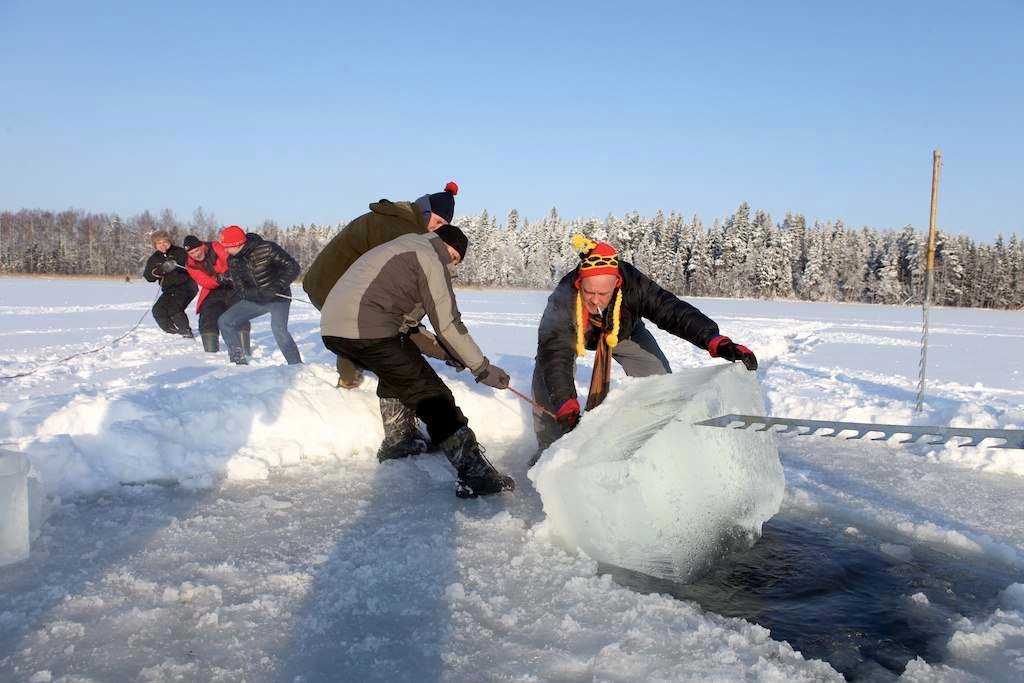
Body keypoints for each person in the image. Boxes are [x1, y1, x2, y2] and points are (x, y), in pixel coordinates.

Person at [319, 225, 515, 498]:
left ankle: (399, 441)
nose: (453, 267)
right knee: (431, 394)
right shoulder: (430, 258)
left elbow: (408, 329)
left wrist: (450, 354)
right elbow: (448, 323)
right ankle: (475, 474)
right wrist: (481, 368)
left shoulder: (404, 246)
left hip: (335, 331)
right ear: (447, 247)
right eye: (455, 258)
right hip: (368, 329)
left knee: (398, 368)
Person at [531, 234, 758, 459]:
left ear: (617, 284)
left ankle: (655, 438)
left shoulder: (635, 285)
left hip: (623, 331)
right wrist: (565, 403)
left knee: (658, 377)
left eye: (603, 294)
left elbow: (672, 311)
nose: (595, 300)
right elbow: (555, 352)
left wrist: (715, 341)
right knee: (547, 380)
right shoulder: (563, 298)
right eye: (589, 292)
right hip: (574, 337)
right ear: (579, 284)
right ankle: (548, 450)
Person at [303, 181, 459, 389]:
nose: (437, 229)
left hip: (327, 282)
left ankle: (351, 376)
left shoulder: (401, 220)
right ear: (425, 210)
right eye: (437, 221)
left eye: (443, 226)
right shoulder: (399, 229)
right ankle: (348, 385)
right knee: (360, 325)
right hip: (330, 284)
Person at [217, 225, 302, 366]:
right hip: (255, 299)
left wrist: (276, 287)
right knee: (225, 321)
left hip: (278, 298)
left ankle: (296, 365)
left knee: (278, 329)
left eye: (227, 246)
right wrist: (258, 294)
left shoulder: (268, 248)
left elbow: (292, 267)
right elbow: (240, 288)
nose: (225, 250)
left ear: (237, 244)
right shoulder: (233, 260)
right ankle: (238, 362)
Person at [182, 234, 251, 355]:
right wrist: (218, 280)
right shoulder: (190, 264)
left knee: (239, 312)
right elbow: (203, 281)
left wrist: (228, 273)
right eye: (192, 253)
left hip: (233, 285)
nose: (196, 254)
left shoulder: (215, 247)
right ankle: (211, 354)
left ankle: (244, 349)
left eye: (197, 250)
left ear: (202, 246)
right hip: (213, 290)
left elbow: (229, 259)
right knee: (207, 314)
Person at [142, 230, 198, 338]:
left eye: (165, 242)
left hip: (186, 286)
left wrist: (176, 265)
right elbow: (149, 277)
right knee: (157, 310)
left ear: (169, 241)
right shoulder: (154, 258)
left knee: (174, 309)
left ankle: (185, 332)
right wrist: (161, 270)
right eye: (159, 243)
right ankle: (173, 332)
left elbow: (194, 265)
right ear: (155, 245)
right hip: (169, 289)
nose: (163, 245)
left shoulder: (180, 252)